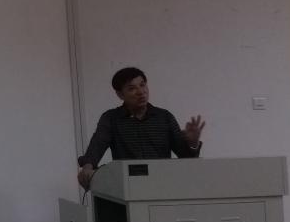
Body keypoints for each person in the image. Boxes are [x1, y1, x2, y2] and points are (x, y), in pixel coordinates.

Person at [77, 67, 205, 190]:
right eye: (132, 88)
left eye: (142, 85)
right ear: (120, 94)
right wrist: (87, 167)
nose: (141, 92)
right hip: (127, 187)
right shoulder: (111, 118)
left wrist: (193, 143)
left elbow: (187, 159)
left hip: (163, 185)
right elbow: (97, 145)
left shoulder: (164, 117)